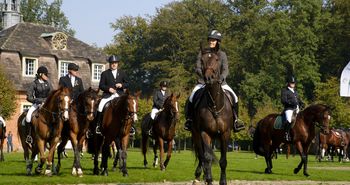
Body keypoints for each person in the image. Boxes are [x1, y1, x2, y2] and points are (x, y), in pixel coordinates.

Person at [184, 29, 245, 132]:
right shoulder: (202, 53)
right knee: (191, 97)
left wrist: (222, 77)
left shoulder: (222, 55)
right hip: (203, 82)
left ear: (218, 42)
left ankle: (235, 121)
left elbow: (225, 69)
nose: (211, 42)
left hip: (220, 83)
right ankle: (190, 120)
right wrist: (203, 76)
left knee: (234, 97)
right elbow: (198, 68)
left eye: (214, 40)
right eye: (210, 40)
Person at [96, 55, 129, 134]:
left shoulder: (122, 73)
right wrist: (108, 89)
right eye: (112, 63)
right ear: (110, 64)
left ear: (118, 64)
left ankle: (130, 127)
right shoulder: (104, 73)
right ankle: (98, 125)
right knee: (100, 106)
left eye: (115, 63)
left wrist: (121, 85)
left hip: (119, 95)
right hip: (108, 95)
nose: (114, 64)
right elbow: (101, 85)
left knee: (128, 107)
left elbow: (127, 83)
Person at [25, 66, 53, 143]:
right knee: (28, 116)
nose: (47, 76)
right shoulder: (34, 84)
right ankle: (29, 135)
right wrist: (37, 100)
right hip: (37, 104)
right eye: (45, 74)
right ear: (40, 75)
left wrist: (48, 101)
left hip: (47, 104)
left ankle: (54, 134)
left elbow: (52, 94)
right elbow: (28, 97)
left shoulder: (49, 83)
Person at [281, 75, 304, 142]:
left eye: (293, 83)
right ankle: (286, 134)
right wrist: (291, 103)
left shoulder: (295, 92)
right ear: (288, 83)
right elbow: (283, 100)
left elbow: (298, 100)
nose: (293, 84)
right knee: (289, 120)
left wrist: (301, 103)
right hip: (289, 109)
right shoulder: (285, 91)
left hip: (296, 109)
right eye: (291, 83)